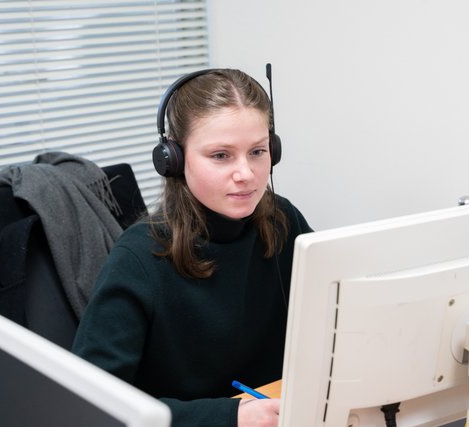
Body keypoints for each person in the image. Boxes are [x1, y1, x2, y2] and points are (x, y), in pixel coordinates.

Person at [72, 68, 313, 427]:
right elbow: (92, 406)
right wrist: (230, 417)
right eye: (221, 155)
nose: (246, 173)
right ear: (173, 158)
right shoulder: (138, 258)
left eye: (258, 151)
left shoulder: (282, 220)